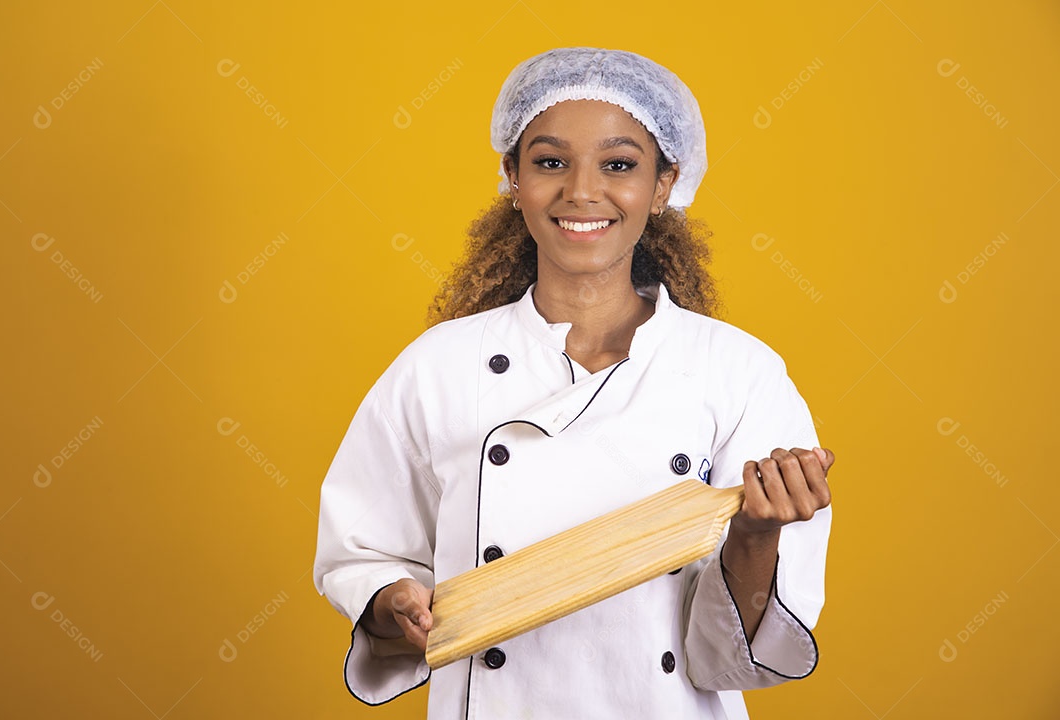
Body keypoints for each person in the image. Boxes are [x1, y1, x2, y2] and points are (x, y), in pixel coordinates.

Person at [313, 46, 834, 719]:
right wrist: (393, 605)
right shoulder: (438, 366)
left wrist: (757, 535)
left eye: (619, 164)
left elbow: (727, 659)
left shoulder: (738, 371)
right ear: (512, 175)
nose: (582, 191)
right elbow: (366, 553)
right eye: (550, 161)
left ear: (665, 181)